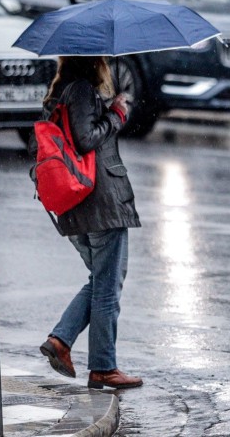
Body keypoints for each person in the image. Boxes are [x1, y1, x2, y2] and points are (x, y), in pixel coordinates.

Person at [37, 56, 143, 390]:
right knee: (108, 285)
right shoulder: (81, 91)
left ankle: (62, 340)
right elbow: (86, 138)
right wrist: (117, 114)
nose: (108, 65)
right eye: (104, 59)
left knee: (101, 280)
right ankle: (102, 366)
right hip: (99, 201)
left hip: (77, 205)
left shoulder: (60, 94)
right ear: (93, 62)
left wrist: (107, 108)